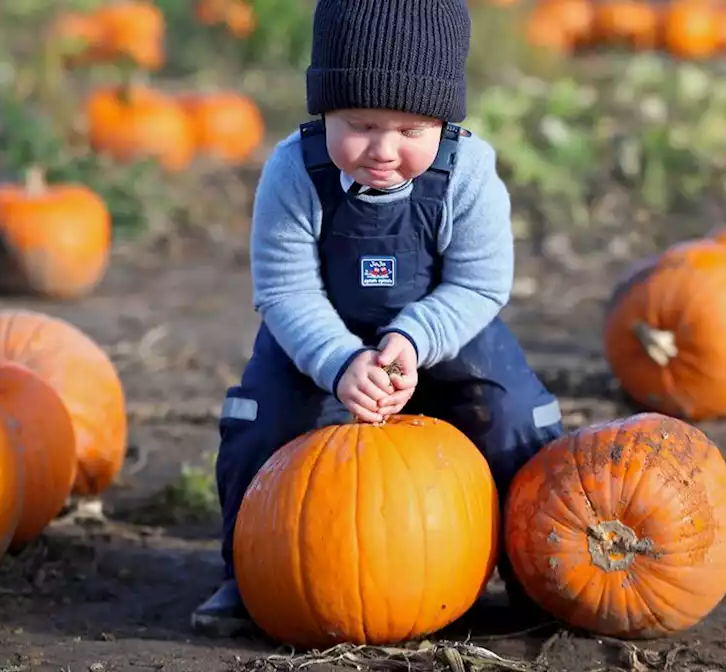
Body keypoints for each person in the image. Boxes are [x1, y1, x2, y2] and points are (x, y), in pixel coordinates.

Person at [190, 0, 565, 638]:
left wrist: (413, 338)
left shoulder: (467, 172)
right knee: (261, 417)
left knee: (515, 416)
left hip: (447, 330)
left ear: (443, 122)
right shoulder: (295, 170)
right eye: (359, 124)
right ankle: (249, 572)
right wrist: (338, 362)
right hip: (318, 333)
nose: (383, 150)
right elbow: (283, 291)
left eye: (411, 131)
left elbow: (480, 284)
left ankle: (533, 572)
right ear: (325, 109)